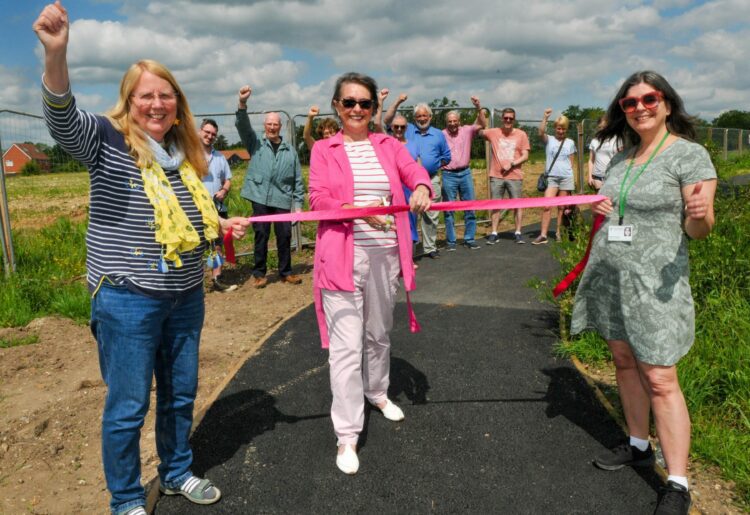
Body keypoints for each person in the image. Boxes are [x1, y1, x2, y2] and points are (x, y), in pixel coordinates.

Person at [34, 3, 250, 514]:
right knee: (128, 408)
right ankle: (126, 499)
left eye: (165, 94)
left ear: (178, 102)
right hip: (128, 299)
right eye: (145, 95)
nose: (156, 104)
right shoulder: (108, 141)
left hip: (184, 295)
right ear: (129, 102)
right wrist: (57, 54)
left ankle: (176, 473)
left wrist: (217, 225)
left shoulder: (184, 154)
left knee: (179, 396)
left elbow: (181, 217)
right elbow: (62, 119)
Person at [570, 70, 716, 515]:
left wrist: (699, 212)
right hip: (613, 279)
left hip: (657, 287)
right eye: (629, 103)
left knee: (660, 378)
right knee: (623, 360)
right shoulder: (620, 160)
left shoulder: (689, 157)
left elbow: (699, 231)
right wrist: (601, 206)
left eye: (649, 98)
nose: (639, 108)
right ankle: (637, 443)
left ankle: (677, 482)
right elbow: (615, 211)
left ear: (667, 103)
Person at [309, 72, 432, 475]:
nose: (357, 109)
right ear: (337, 107)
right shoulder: (324, 149)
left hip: (384, 256)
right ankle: (346, 434)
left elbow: (414, 171)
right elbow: (317, 197)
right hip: (341, 258)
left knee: (378, 333)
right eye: (349, 102)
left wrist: (422, 188)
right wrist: (346, 207)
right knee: (345, 350)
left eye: (364, 103)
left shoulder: (389, 144)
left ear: (374, 109)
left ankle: (377, 392)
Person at [235, 88, 305, 288]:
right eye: (269, 124)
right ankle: (259, 273)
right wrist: (242, 104)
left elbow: (298, 180)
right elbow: (242, 126)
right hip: (259, 197)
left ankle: (286, 272)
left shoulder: (290, 151)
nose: (272, 127)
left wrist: (298, 204)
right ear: (264, 126)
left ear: (280, 126)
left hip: (282, 199)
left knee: (284, 235)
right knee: (261, 235)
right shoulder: (255, 143)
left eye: (276, 124)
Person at [384, 99, 450, 259]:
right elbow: (387, 121)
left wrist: (431, 167)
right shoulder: (408, 130)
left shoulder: (439, 134)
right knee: (408, 216)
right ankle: (407, 251)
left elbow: (446, 156)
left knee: (430, 216)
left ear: (430, 116)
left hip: (431, 179)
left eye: (424, 115)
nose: (422, 118)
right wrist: (397, 102)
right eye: (418, 116)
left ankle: (429, 247)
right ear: (414, 119)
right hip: (406, 183)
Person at [479, 107, 530, 244]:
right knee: (496, 204)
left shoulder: (521, 134)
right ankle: (494, 232)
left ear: (514, 120)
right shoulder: (494, 132)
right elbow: (479, 129)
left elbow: (526, 155)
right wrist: (479, 109)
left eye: (511, 118)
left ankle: (518, 232)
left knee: (517, 205)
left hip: (515, 175)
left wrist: (512, 164)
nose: (508, 120)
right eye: (506, 118)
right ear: (502, 119)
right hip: (496, 176)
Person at [441, 97, 486, 250]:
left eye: (455, 121)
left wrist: (478, 107)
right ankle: (451, 242)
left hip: (465, 173)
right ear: (446, 122)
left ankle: (469, 238)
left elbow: (482, 124)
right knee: (448, 210)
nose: (452, 124)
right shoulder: (441, 135)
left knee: (470, 207)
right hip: (448, 175)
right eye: (450, 121)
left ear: (459, 121)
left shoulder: (467, 130)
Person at [198, 118, 237, 292]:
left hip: (217, 209)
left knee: (217, 245)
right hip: (195, 209)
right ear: (200, 131)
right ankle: (195, 284)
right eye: (207, 132)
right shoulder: (189, 153)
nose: (210, 136)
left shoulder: (220, 157)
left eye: (213, 134)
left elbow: (228, 179)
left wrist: (224, 191)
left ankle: (217, 278)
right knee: (195, 247)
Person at [532, 109, 577, 244]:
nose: (561, 131)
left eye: (563, 129)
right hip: (551, 177)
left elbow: (571, 161)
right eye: (558, 128)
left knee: (562, 208)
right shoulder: (549, 139)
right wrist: (545, 118)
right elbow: (540, 133)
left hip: (565, 177)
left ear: (566, 129)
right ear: (555, 128)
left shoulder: (570, 142)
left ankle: (559, 233)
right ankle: (543, 235)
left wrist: (569, 177)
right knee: (547, 205)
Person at [587, 115, 623, 191]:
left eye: (604, 127)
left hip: (612, 176)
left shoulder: (617, 140)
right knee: (600, 201)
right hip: (597, 176)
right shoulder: (594, 141)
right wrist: (590, 176)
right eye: (600, 127)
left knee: (611, 201)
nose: (602, 130)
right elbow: (591, 160)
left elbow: (622, 160)